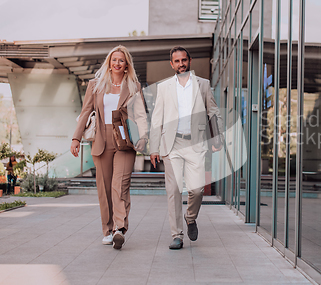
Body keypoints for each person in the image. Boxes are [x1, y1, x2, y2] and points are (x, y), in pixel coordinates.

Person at [70, 45, 147, 249]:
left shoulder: (134, 87)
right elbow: (86, 111)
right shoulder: (96, 85)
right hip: (101, 139)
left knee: (120, 185)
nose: (117, 63)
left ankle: (119, 229)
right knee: (104, 187)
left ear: (126, 64)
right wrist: (76, 138)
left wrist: (144, 137)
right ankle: (107, 229)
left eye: (121, 60)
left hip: (125, 139)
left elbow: (140, 115)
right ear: (109, 62)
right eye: (114, 60)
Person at [150, 46, 222, 250]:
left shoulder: (203, 85)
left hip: (195, 143)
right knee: (173, 190)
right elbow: (157, 120)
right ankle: (177, 235)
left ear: (189, 60)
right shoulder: (164, 87)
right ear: (171, 64)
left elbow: (213, 112)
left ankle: (190, 217)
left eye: (184, 60)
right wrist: (154, 147)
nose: (181, 64)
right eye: (177, 61)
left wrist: (217, 138)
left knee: (197, 190)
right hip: (171, 144)